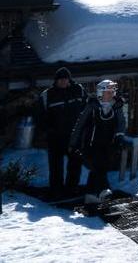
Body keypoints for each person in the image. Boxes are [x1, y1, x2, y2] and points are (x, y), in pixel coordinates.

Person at [70, 80, 126, 202]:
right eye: (108, 92)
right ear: (101, 93)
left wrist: (119, 137)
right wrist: (73, 143)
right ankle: (104, 190)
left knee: (101, 168)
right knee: (97, 167)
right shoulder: (92, 106)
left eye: (112, 92)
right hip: (91, 144)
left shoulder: (116, 106)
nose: (111, 95)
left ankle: (90, 195)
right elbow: (80, 124)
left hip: (108, 143)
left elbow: (121, 123)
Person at [37, 67, 86, 200]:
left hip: (74, 135)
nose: (63, 82)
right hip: (56, 137)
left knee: (75, 164)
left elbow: (86, 109)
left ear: (69, 79)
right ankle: (56, 190)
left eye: (65, 79)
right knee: (56, 166)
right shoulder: (48, 95)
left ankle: (72, 188)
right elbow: (40, 116)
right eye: (60, 80)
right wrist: (48, 129)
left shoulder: (78, 90)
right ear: (56, 80)